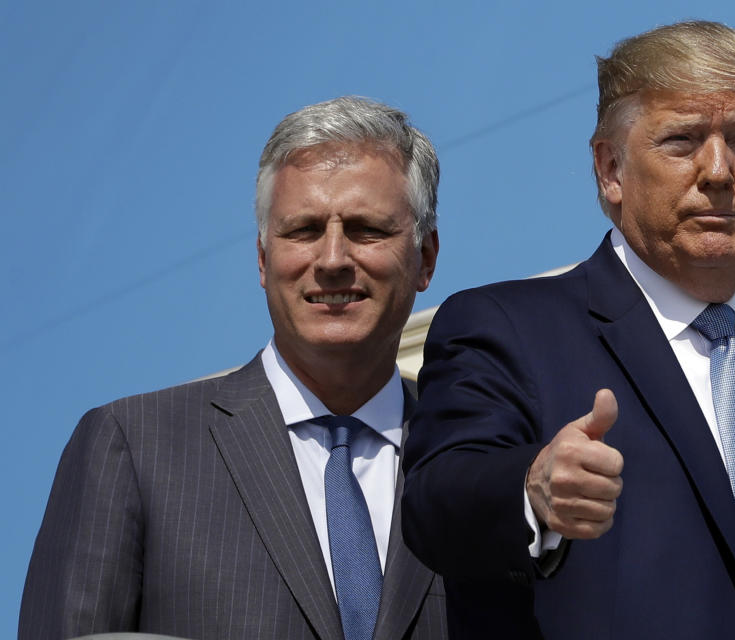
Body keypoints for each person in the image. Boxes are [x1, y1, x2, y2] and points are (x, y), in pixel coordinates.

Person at [401, 21, 735, 640]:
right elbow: (435, 506)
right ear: (610, 168)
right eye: (682, 140)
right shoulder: (507, 330)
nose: (718, 171)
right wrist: (531, 489)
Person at [20, 96, 445, 640]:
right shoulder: (134, 447)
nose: (334, 259)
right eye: (304, 230)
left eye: (366, 229)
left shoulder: (480, 444)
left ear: (425, 258)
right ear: (264, 261)